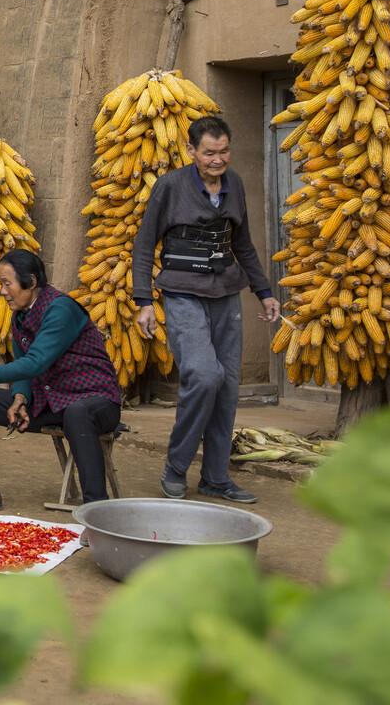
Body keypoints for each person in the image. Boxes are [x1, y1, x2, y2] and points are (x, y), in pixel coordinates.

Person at [132, 116, 280, 505]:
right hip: (182, 293)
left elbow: (243, 243)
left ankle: (216, 477)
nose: (218, 159)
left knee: (228, 387)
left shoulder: (235, 186)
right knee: (204, 375)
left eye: (224, 151)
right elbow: (145, 245)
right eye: (210, 152)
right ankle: (176, 467)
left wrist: (263, 291)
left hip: (226, 294)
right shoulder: (170, 187)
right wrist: (143, 300)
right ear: (192, 151)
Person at [0, 250, 123, 510]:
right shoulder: (20, 316)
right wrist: (20, 397)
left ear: (32, 282)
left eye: (7, 283)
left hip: (95, 402)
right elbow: (23, 364)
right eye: (0, 284)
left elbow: (37, 361)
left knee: (77, 412)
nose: (2, 291)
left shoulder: (61, 309)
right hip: (52, 401)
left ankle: (97, 509)